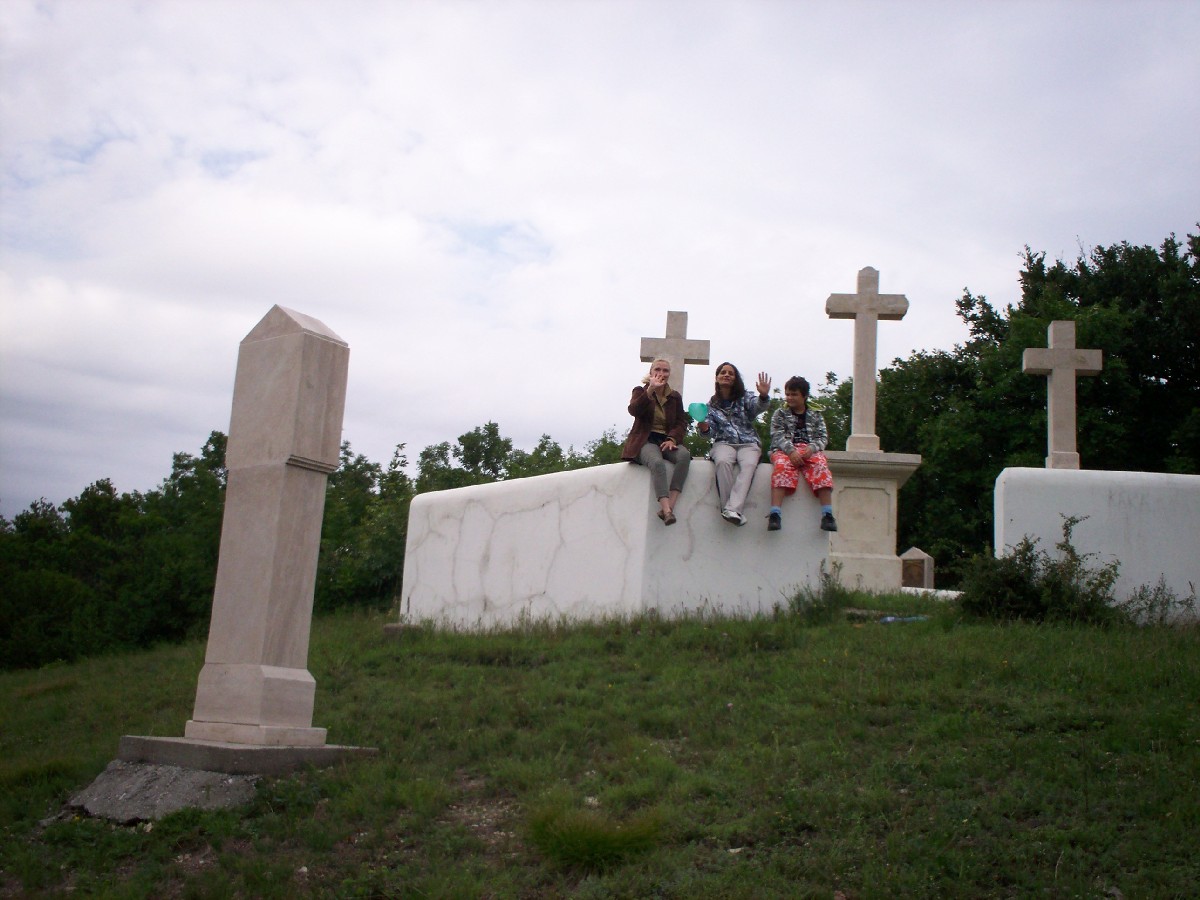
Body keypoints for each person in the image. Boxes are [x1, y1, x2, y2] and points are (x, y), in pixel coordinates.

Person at [696, 362, 771, 526]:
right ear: (717, 378)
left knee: (749, 464)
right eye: (723, 372)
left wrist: (764, 396)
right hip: (724, 443)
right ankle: (731, 510)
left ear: (736, 379)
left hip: (748, 442)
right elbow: (709, 432)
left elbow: (758, 406)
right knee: (722, 462)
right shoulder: (711, 406)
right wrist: (704, 428)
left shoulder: (745, 397)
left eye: (731, 373)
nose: (727, 375)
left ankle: (731, 509)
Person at [621, 358, 692, 525]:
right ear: (651, 372)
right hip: (645, 439)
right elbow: (634, 410)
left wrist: (672, 438)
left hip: (666, 439)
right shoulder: (640, 391)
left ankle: (670, 505)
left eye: (665, 370)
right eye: (657, 369)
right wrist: (650, 390)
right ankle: (666, 510)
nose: (661, 373)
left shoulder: (674, 397)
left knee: (684, 457)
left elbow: (681, 422)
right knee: (657, 463)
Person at [767, 375, 838, 532]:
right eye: (787, 394)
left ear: (804, 396)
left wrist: (812, 448)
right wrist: (791, 451)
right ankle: (775, 514)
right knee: (782, 467)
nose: (790, 398)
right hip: (784, 450)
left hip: (808, 449)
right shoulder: (780, 413)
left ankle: (827, 514)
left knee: (821, 466)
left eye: (794, 394)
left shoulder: (816, 414)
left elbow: (822, 437)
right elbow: (777, 434)